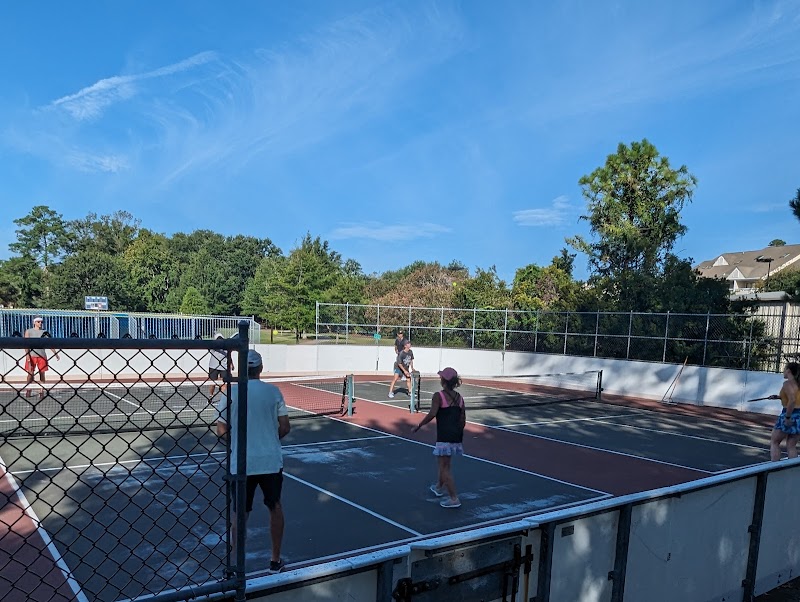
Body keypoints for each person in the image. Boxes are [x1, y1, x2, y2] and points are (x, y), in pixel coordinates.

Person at [215, 349, 290, 574]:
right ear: (261, 369)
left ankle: (236, 565)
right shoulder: (273, 392)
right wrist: (267, 439)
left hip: (242, 462)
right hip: (270, 462)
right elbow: (285, 427)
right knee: (275, 507)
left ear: (241, 369)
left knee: (240, 514)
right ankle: (275, 561)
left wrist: (240, 441)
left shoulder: (231, 393)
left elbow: (220, 430)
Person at [412, 367, 466, 508]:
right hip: (456, 436)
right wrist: (457, 433)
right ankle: (438, 487)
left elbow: (432, 414)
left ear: (443, 381)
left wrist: (419, 425)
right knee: (445, 464)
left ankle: (454, 498)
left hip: (444, 435)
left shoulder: (438, 396)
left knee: (444, 468)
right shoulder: (460, 398)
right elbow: (462, 420)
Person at [768, 362, 800, 461]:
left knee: (775, 442)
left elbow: (792, 400)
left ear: (789, 371)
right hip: (799, 415)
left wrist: (787, 417)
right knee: (791, 445)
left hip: (789, 413)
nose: (783, 372)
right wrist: (779, 397)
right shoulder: (798, 383)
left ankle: (774, 466)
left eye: (784, 369)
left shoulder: (787, 383)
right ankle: (792, 469)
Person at [23, 317, 60, 398]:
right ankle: (28, 389)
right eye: (38, 322)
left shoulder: (45, 332)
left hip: (42, 355)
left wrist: (55, 353)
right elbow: (26, 344)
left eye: (41, 322)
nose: (40, 323)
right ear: (34, 322)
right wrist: (27, 354)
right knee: (30, 373)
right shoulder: (29, 331)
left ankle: (41, 391)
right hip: (32, 355)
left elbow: (50, 343)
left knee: (42, 373)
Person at [208, 333, 229, 398]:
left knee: (224, 383)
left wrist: (231, 364)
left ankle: (224, 398)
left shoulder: (226, 347)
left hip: (224, 366)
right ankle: (211, 395)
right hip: (213, 366)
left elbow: (228, 356)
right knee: (212, 383)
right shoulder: (213, 347)